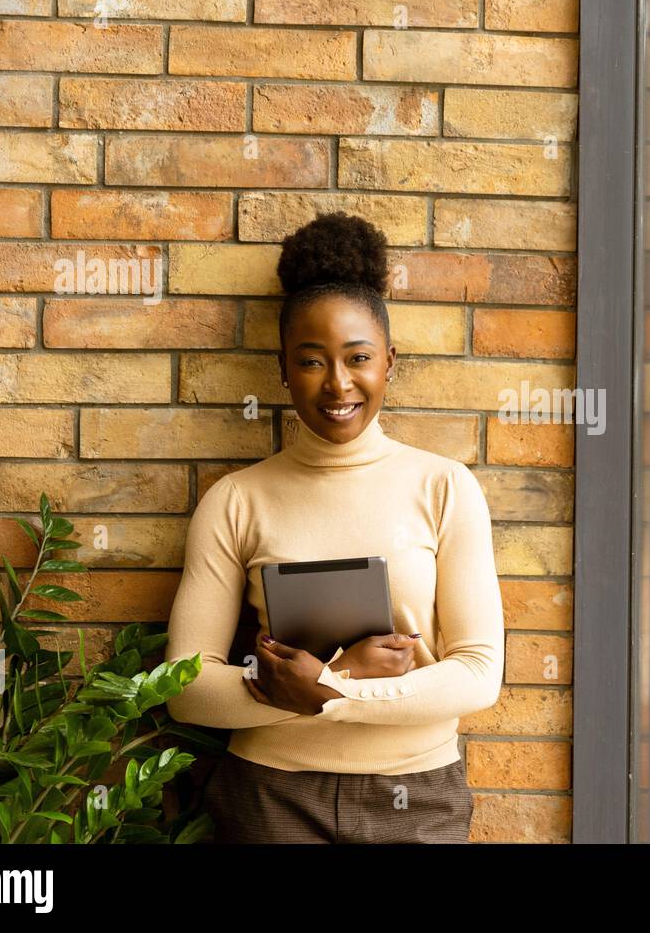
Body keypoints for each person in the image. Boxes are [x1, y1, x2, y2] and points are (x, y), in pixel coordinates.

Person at [163, 212, 505, 843]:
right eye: (313, 361)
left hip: (417, 797)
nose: (339, 383)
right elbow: (185, 687)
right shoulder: (236, 499)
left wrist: (327, 690)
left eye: (359, 358)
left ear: (389, 362)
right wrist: (324, 682)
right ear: (283, 369)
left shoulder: (445, 486)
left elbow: (479, 672)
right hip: (270, 797)